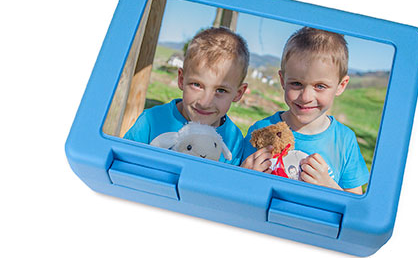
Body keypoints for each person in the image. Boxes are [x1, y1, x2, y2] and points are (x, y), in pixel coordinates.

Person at [241, 27, 369, 194]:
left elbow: (353, 202)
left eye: (320, 86)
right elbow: (239, 189)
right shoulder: (262, 131)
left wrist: (329, 188)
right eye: (296, 84)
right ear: (283, 80)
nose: (306, 97)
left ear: (341, 85)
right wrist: (246, 175)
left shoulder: (344, 141)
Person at [124, 27, 249, 165]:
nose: (205, 103)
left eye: (220, 90)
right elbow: (123, 163)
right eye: (197, 85)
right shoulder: (150, 121)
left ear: (238, 93)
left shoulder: (234, 139)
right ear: (181, 80)